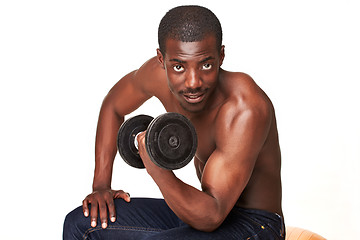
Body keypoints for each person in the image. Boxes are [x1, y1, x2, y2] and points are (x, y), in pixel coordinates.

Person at [63, 5, 285, 240]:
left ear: (221, 56)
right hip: (202, 211)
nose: (193, 82)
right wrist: (101, 186)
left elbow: (212, 215)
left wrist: (158, 170)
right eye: (178, 66)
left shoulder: (244, 108)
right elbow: (113, 106)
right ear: (162, 59)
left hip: (255, 225)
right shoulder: (155, 75)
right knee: (80, 224)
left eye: (206, 65)